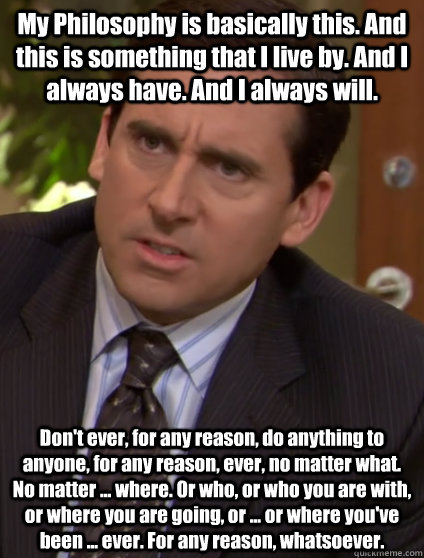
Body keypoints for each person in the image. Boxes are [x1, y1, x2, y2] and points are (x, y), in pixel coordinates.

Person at [1, 0, 424, 556]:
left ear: (303, 208)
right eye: (151, 142)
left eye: (229, 168)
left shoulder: (395, 390)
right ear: (105, 142)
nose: (170, 202)